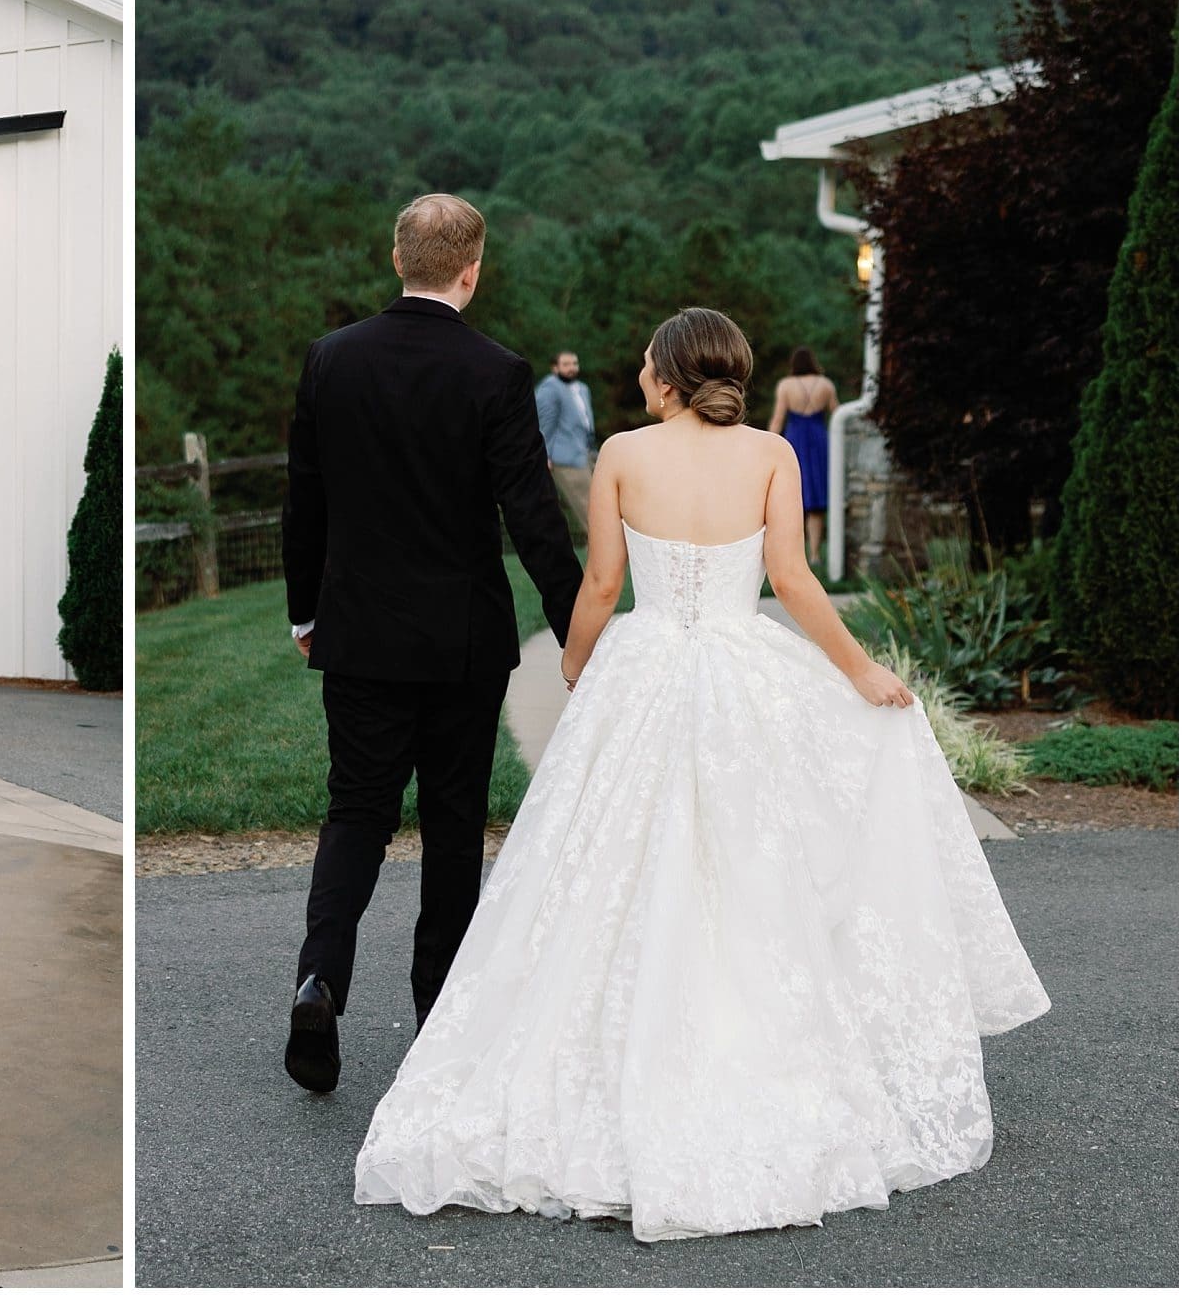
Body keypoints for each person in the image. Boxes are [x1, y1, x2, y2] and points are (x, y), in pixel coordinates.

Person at [353, 307, 1049, 1240]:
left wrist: (577, 663)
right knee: (749, 862)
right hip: (739, 667)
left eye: (646, 360)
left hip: (640, 671)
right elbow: (793, 583)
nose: (638, 371)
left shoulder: (622, 455)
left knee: (601, 865)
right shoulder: (770, 456)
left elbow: (599, 586)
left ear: (670, 377)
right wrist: (862, 670)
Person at [280, 193, 583, 1095]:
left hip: (360, 634)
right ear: (472, 269)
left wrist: (306, 615)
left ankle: (320, 978)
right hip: (462, 645)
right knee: (453, 828)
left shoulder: (331, 359)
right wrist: (579, 634)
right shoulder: (497, 370)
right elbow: (532, 515)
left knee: (356, 814)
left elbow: (308, 501)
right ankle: (438, 1014)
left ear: (395, 257)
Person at [770, 346, 838, 564]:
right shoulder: (826, 385)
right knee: (816, 499)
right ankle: (815, 554)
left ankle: (794, 555)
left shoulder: (786, 386)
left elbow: (778, 420)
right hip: (819, 441)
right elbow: (838, 416)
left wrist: (769, 447)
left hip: (795, 440)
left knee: (794, 497)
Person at [534, 349, 598, 534]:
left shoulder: (582, 388)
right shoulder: (549, 390)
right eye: (566, 365)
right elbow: (544, 425)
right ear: (555, 368)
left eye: (574, 364)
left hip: (587, 452)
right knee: (588, 507)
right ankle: (601, 551)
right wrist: (544, 454)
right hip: (566, 457)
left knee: (600, 502)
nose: (572, 368)